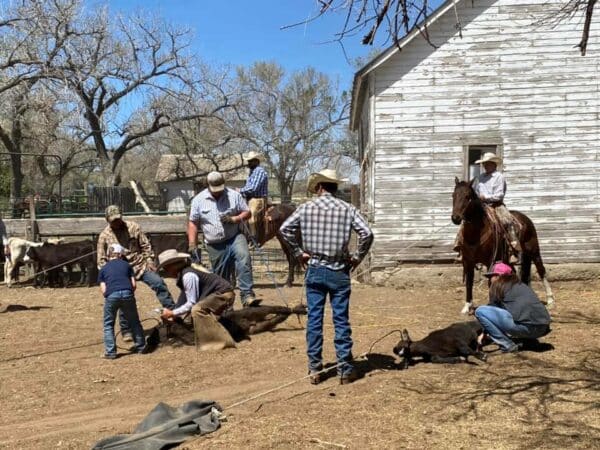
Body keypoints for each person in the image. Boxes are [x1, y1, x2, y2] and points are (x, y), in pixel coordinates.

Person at [279, 169, 374, 385]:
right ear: (334, 187)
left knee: (314, 319)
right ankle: (345, 368)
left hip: (315, 269)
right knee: (340, 319)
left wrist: (298, 252)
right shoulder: (348, 209)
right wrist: (357, 257)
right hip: (339, 270)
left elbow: (285, 229)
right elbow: (367, 233)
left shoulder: (306, 208)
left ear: (320, 187)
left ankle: (315, 368)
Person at [97, 205, 176, 340]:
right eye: (113, 220)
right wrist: (109, 275)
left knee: (158, 283)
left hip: (140, 265)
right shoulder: (104, 236)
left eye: (118, 219)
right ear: (107, 220)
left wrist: (150, 261)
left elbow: (145, 246)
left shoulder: (133, 227)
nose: (117, 222)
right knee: (123, 296)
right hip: (120, 270)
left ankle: (173, 314)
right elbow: (101, 260)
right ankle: (126, 330)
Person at [187, 171, 258, 307]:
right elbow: (193, 223)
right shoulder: (198, 200)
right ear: (208, 185)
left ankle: (247, 295)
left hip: (234, 237)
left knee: (244, 258)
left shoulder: (234, 195)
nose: (218, 192)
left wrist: (234, 219)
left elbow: (247, 212)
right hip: (214, 244)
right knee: (221, 276)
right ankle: (226, 304)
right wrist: (192, 243)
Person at [158, 249, 236, 351]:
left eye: (166, 268)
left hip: (224, 294)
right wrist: (175, 313)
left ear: (172, 267)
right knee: (189, 319)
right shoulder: (186, 273)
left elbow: (191, 303)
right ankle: (210, 335)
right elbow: (184, 297)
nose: (166, 272)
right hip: (219, 294)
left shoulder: (188, 276)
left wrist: (172, 313)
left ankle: (221, 341)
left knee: (197, 310)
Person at [454, 152, 521, 263]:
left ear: (494, 164)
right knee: (467, 221)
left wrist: (486, 197)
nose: (486, 166)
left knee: (507, 220)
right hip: (482, 206)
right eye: (485, 164)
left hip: (496, 205)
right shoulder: (480, 177)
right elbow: (475, 192)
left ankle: (512, 248)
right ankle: (460, 247)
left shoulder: (499, 177)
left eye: (488, 163)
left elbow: (500, 194)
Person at [474, 262, 551, 353]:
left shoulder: (497, 286)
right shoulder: (521, 285)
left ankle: (507, 345)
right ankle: (526, 340)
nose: (490, 280)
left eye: (491, 276)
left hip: (527, 328)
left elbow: (493, 312)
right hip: (543, 328)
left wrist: (483, 332)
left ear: (498, 276)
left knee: (480, 311)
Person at [99, 243, 146, 359]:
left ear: (109, 255)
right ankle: (141, 346)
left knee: (108, 324)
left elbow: (103, 289)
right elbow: (134, 284)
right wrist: (127, 294)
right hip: (127, 293)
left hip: (111, 295)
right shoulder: (127, 266)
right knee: (134, 321)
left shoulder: (103, 268)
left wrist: (110, 295)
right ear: (120, 254)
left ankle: (110, 352)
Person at [238, 151, 269, 245]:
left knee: (251, 216)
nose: (249, 163)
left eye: (251, 161)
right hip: (249, 198)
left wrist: (239, 190)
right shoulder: (252, 172)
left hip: (257, 199)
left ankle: (254, 238)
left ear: (256, 161)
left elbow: (253, 188)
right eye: (248, 161)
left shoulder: (260, 171)